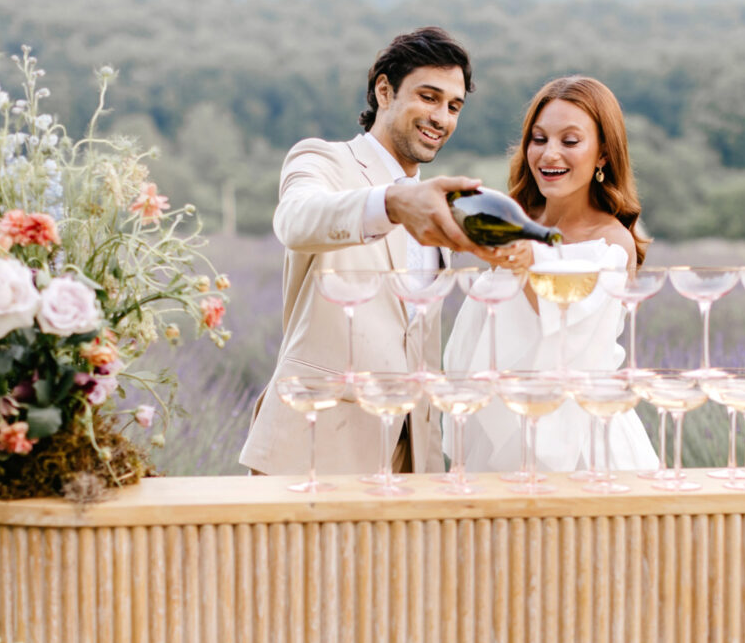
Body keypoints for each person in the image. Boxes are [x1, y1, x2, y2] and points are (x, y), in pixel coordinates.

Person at [240, 27, 489, 476]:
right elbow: (295, 219)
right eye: (429, 97)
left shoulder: (435, 206)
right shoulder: (323, 161)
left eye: (454, 107)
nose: (443, 118)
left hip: (405, 465)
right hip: (311, 451)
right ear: (384, 90)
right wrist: (391, 203)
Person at [444, 75, 659, 474]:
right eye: (539, 139)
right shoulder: (517, 222)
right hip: (500, 432)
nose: (549, 154)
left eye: (570, 141)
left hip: (581, 446)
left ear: (603, 155)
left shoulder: (611, 243)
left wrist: (523, 257)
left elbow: (565, 329)